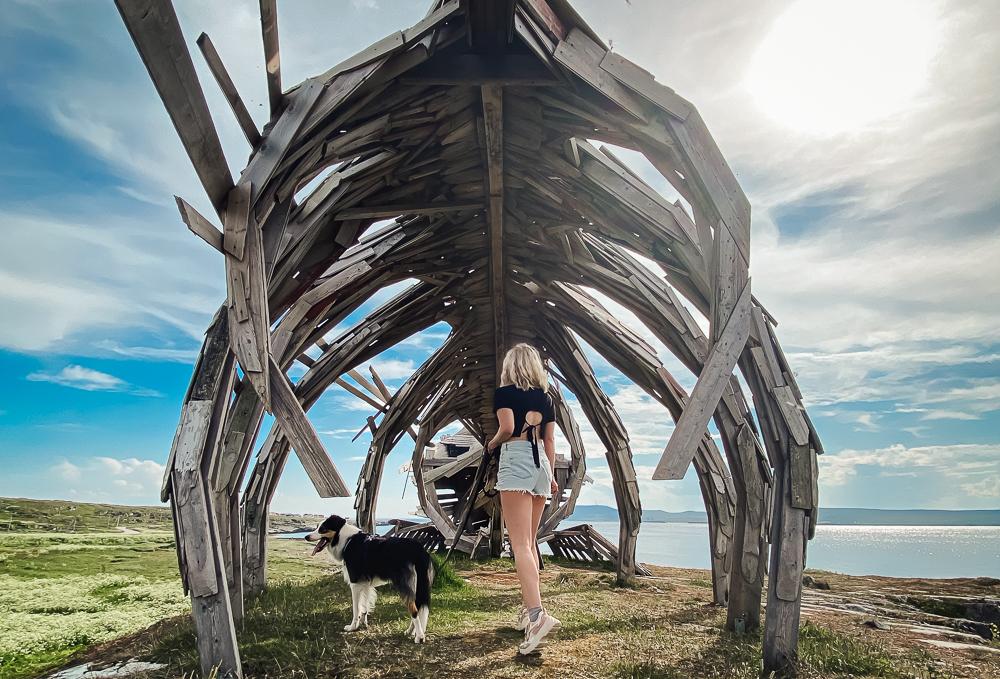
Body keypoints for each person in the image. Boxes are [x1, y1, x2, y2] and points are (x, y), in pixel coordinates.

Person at [486, 342, 562, 654]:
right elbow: (550, 439)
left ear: (510, 366)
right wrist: (552, 474)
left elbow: (507, 428)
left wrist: (491, 445)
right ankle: (529, 611)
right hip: (541, 465)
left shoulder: (503, 393)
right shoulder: (546, 398)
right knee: (529, 544)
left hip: (515, 459)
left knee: (518, 545)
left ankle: (536, 615)